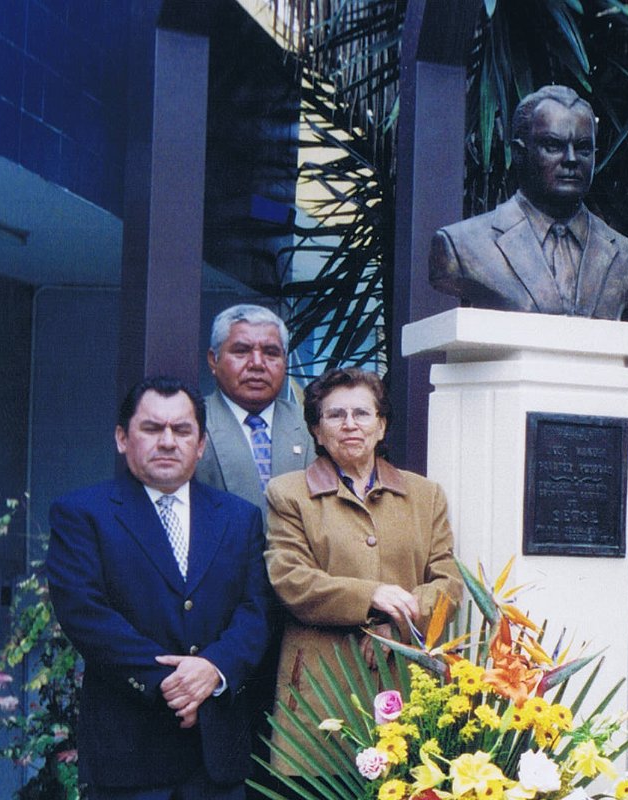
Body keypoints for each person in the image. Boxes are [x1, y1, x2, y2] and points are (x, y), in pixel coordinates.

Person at [47, 376, 274, 799]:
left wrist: (214, 669)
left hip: (217, 755)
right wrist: (171, 682)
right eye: (152, 428)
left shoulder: (239, 517)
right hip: (128, 754)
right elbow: (85, 614)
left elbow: (256, 610)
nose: (168, 442)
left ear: (201, 444)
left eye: (182, 430)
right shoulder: (82, 514)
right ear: (122, 438)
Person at [262, 368, 464, 774]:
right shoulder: (288, 493)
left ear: (381, 426)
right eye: (335, 415)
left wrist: (398, 624)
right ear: (317, 431)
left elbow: (449, 584)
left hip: (406, 686)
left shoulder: (426, 495)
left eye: (362, 413)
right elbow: (291, 579)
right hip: (321, 690)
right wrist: (372, 595)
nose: (350, 424)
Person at [429, 85, 628, 320]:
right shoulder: (460, 245)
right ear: (519, 153)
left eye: (583, 148)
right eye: (553, 146)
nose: (571, 159)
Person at [193, 304, 312, 513]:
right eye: (241, 351)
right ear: (213, 360)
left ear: (285, 362)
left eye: (271, 353)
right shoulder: (191, 424)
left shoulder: (310, 424)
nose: (257, 364)